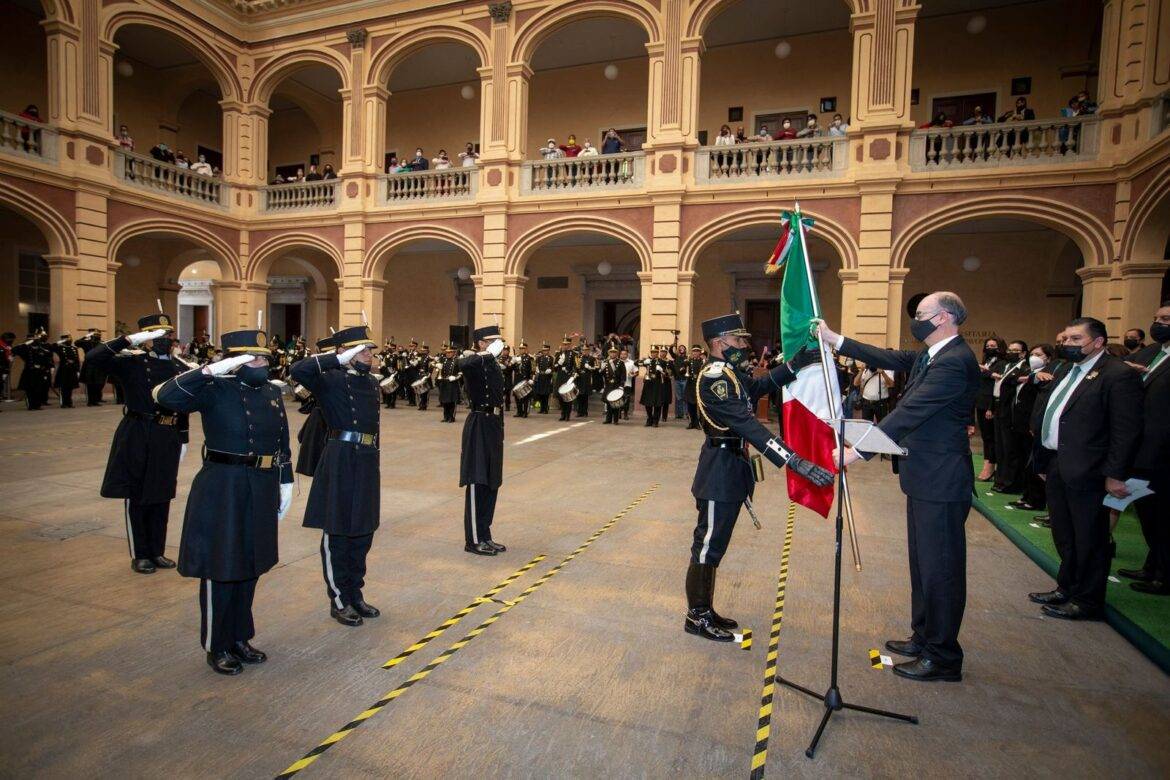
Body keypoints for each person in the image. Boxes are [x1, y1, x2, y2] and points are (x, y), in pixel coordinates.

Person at [818, 291, 980, 682]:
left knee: (940, 568)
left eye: (922, 314)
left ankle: (942, 656)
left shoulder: (955, 361)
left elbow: (910, 411)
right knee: (923, 563)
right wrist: (834, 339)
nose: (916, 319)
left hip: (942, 480)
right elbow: (887, 358)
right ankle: (923, 636)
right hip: (925, 478)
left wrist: (856, 453)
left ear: (943, 318)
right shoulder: (932, 354)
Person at [154, 328, 293, 675]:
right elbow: (166, 397)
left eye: (263, 357)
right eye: (251, 358)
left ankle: (240, 637)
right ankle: (217, 644)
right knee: (222, 566)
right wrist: (210, 370)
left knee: (250, 565)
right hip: (223, 486)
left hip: (261, 484)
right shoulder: (215, 390)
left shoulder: (272, 394)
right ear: (233, 360)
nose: (260, 363)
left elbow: (283, 442)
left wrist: (286, 480)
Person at [686, 313, 831, 641]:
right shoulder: (715, 377)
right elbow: (750, 427)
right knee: (707, 546)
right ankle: (696, 616)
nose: (743, 346)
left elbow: (761, 385)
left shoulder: (732, 373)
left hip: (732, 467)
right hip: (717, 471)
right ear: (720, 343)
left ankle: (705, 610)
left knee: (716, 545)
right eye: (738, 341)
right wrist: (795, 462)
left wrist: (795, 365)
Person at [1027, 317, 1143, 619]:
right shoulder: (1066, 370)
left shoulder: (1117, 375)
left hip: (1089, 469)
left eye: (1076, 339)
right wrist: (1043, 460)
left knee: (1090, 536)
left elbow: (1125, 429)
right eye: (1065, 338)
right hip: (1058, 463)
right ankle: (1067, 587)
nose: (1067, 344)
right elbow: (1054, 414)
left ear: (1098, 342)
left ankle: (1088, 600)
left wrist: (1116, 474)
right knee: (1065, 533)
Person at [291, 326, 383, 628]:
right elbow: (298, 370)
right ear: (346, 352)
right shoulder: (329, 379)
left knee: (363, 530)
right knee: (337, 531)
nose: (369, 354)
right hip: (340, 457)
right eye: (362, 350)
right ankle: (339, 599)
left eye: (369, 350)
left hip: (367, 459)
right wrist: (336, 359)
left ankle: (355, 593)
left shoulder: (370, 382)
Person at [86, 314, 188, 574]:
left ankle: (157, 551)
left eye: (166, 335)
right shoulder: (131, 363)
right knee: (138, 494)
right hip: (138, 431)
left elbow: (185, 403)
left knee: (162, 494)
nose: (164, 340)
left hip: (168, 434)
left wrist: (183, 437)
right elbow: (93, 358)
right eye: (156, 335)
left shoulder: (179, 366)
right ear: (146, 338)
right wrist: (128, 340)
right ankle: (140, 554)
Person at [1117, 302, 1170, 594]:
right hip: (1142, 449)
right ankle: (1153, 564)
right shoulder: (1150, 354)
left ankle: (1165, 573)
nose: (1159, 323)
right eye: (1156, 318)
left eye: (1165, 319)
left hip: (1163, 452)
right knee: (1148, 512)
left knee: (1163, 513)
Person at [459, 325, 508, 556]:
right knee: (477, 481)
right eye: (491, 340)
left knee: (491, 481)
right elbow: (464, 365)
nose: (497, 344)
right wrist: (488, 354)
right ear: (480, 343)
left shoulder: (492, 362)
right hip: (479, 422)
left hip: (494, 424)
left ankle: (486, 535)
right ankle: (474, 540)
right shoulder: (473, 359)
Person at [990, 341, 1030, 493]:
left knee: (1010, 448)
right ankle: (999, 479)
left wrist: (1010, 380)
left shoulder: (1025, 368)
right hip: (999, 407)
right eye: (1010, 349)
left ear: (1023, 353)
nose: (1011, 352)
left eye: (1015, 350)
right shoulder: (1005, 366)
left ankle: (1010, 482)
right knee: (999, 446)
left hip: (1011, 411)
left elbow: (1011, 383)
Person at [295, 335, 335, 478]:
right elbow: (297, 371)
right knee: (320, 459)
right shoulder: (322, 372)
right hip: (321, 419)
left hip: (327, 418)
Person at [975, 337, 1007, 481]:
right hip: (980, 403)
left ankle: (990, 467)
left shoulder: (1002, 363)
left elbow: (997, 380)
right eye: (987, 345)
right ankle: (987, 464)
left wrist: (990, 408)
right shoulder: (987, 362)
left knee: (991, 437)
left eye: (993, 345)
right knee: (985, 437)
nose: (989, 348)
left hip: (990, 404)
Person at [12, 330, 53, 410]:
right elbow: (14, 350)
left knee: (38, 389)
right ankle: (31, 406)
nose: (34, 341)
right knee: (30, 390)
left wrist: (47, 369)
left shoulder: (41, 349)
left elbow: (47, 358)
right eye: (32, 339)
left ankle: (37, 405)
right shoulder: (25, 349)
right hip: (29, 372)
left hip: (39, 372)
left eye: (34, 339)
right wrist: (26, 343)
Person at [49, 333, 81, 408]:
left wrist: (78, 370)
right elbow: (51, 347)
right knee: (63, 387)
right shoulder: (60, 348)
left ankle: (69, 403)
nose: (70, 340)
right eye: (67, 339)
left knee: (70, 387)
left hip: (72, 370)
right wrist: (60, 342)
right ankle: (63, 403)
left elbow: (77, 360)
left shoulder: (74, 348)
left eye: (70, 339)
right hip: (63, 370)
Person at [74, 329, 105, 404]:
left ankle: (96, 399)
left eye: (98, 335)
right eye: (96, 335)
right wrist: (85, 336)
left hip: (99, 365)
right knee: (90, 384)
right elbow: (76, 343)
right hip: (89, 365)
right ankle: (91, 401)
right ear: (91, 336)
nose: (98, 336)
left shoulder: (102, 343)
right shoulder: (86, 343)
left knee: (99, 383)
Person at [601, 346, 626, 425]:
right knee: (608, 403)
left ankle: (615, 420)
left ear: (617, 353)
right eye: (611, 352)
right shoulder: (606, 362)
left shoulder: (620, 362)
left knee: (616, 404)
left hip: (616, 385)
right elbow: (602, 375)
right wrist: (601, 369)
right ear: (609, 353)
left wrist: (621, 385)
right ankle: (608, 419)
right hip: (608, 385)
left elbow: (623, 375)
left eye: (614, 352)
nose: (613, 354)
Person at [438, 344, 462, 422]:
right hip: (444, 382)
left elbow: (461, 373)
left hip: (452, 383)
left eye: (450, 352)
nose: (448, 354)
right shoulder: (443, 360)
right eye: (447, 352)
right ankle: (446, 417)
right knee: (445, 401)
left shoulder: (457, 361)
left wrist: (455, 377)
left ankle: (451, 417)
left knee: (452, 401)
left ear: (453, 353)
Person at [554, 337, 575, 422]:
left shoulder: (573, 354)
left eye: (566, 344)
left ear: (570, 345)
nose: (565, 346)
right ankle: (562, 413)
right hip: (560, 377)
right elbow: (554, 368)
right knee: (560, 397)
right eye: (564, 344)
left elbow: (576, 366)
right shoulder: (559, 354)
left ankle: (567, 414)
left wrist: (573, 376)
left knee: (567, 397)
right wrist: (559, 363)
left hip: (568, 377)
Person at [683, 345, 704, 429]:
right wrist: (683, 367)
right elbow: (682, 371)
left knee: (698, 406)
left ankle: (698, 423)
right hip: (690, 385)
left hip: (698, 385)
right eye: (694, 351)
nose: (695, 353)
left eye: (697, 351)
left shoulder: (702, 362)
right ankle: (691, 422)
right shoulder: (689, 361)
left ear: (699, 352)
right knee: (690, 405)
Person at [512, 341, 534, 417]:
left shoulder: (529, 358)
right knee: (517, 397)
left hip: (525, 379)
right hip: (517, 379)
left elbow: (532, 369)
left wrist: (531, 378)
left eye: (523, 348)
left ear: (526, 349)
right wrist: (513, 362)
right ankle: (519, 412)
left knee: (525, 397)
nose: (521, 350)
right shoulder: (516, 357)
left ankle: (525, 412)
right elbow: (512, 369)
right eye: (520, 348)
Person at [620, 346, 636, 420]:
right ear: (620, 355)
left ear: (627, 355)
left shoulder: (631, 363)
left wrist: (633, 374)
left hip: (627, 384)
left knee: (626, 400)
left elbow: (636, 372)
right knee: (618, 399)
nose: (623, 355)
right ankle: (619, 413)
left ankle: (626, 414)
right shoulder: (617, 362)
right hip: (618, 384)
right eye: (622, 354)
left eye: (625, 354)